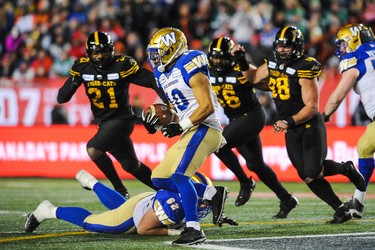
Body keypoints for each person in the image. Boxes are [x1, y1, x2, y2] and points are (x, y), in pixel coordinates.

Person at [232, 25, 366, 223]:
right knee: (307, 176)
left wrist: (288, 120)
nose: (283, 50)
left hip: (309, 124)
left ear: (298, 47)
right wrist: (242, 61)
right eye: (280, 46)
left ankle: (347, 169)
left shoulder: (305, 66)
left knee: (313, 170)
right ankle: (340, 209)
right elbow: (252, 79)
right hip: (291, 127)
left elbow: (312, 107)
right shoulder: (273, 62)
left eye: (287, 46)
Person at [142, 27, 228, 245]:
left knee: (180, 176)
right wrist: (158, 120)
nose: (154, 58)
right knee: (159, 178)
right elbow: (176, 111)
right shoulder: (162, 74)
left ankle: (194, 229)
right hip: (190, 129)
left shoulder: (191, 62)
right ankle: (211, 194)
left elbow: (207, 107)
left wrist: (180, 127)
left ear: (172, 48)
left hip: (206, 128)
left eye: (158, 52)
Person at [57, 31, 167, 198]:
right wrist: (75, 79)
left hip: (121, 120)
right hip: (104, 123)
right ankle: (168, 191)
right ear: (89, 54)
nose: (100, 57)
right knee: (132, 166)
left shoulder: (122, 65)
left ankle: (120, 191)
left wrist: (169, 102)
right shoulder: (82, 67)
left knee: (94, 150)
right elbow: (62, 97)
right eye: (96, 53)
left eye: (104, 52)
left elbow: (152, 81)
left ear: (111, 50)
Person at [207, 36, 298, 218]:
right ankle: (286, 198)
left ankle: (245, 182)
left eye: (221, 57)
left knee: (218, 145)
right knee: (256, 164)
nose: (217, 62)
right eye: (214, 58)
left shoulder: (240, 68)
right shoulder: (207, 71)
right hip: (236, 120)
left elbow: (262, 83)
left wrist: (244, 65)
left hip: (253, 116)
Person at [25, 170, 233, 235]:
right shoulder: (174, 205)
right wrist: (173, 232)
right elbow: (143, 228)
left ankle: (92, 183)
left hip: (144, 200)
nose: (204, 205)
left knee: (120, 207)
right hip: (136, 217)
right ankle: (48, 210)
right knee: (92, 223)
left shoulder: (179, 198)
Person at [323, 23, 375, 219]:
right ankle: (358, 202)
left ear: (354, 39)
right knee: (364, 147)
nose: (342, 48)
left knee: (364, 148)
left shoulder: (355, 58)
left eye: (344, 43)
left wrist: (325, 116)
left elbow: (338, 95)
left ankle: (358, 202)